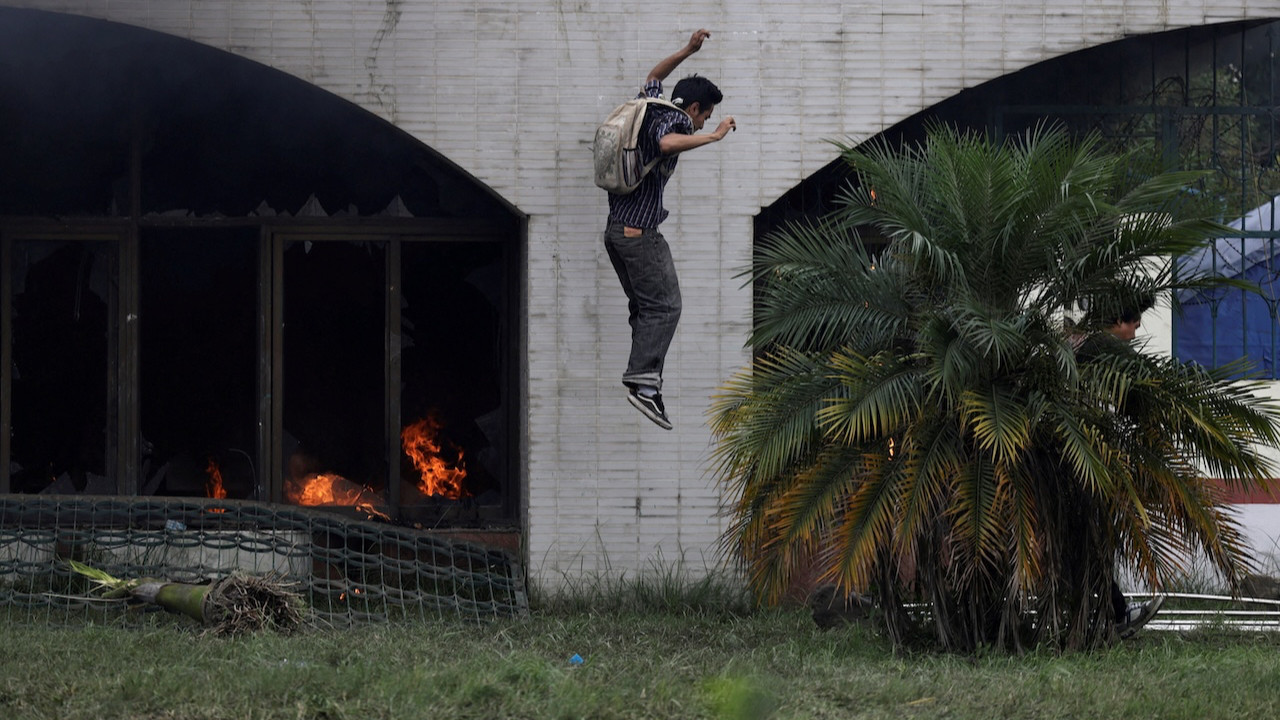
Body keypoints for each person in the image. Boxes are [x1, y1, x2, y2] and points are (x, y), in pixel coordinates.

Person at [603, 29, 736, 429]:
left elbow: (653, 74)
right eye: (704, 117)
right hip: (639, 234)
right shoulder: (673, 119)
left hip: (616, 233)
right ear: (695, 108)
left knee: (647, 308)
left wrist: (687, 50)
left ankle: (643, 374)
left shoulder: (651, 103)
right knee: (666, 307)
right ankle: (645, 386)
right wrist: (713, 138)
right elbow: (665, 144)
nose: (700, 126)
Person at [1077, 298, 1167, 639]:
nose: (1138, 329)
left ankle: (1110, 612)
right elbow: (1144, 389)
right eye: (1135, 322)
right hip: (1089, 465)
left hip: (1090, 462)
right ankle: (1114, 614)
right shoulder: (1105, 348)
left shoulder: (1086, 347)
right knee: (1092, 544)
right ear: (1117, 321)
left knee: (1092, 545)